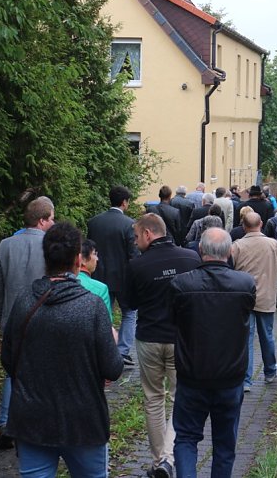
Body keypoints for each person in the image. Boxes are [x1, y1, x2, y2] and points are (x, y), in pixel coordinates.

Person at [1, 222, 124, 478]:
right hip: (84, 420)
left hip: (32, 417)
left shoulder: (24, 301)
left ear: (45, 259)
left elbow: (9, 361)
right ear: (79, 260)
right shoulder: (92, 306)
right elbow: (113, 368)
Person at [170, 228, 256, 478]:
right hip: (230, 377)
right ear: (230, 252)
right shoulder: (245, 284)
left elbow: (173, 320)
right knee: (225, 443)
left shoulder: (180, 284)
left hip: (191, 376)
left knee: (186, 438)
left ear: (200, 250)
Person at [123, 214, 201, 478]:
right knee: (181, 398)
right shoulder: (191, 259)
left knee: (153, 399)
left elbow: (130, 304)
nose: (135, 242)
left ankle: (160, 461)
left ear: (147, 234)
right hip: (182, 339)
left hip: (149, 338)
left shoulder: (136, 266)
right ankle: (168, 459)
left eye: (135, 236)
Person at [0, 195, 55, 449]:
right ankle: (38, 423)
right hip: (43, 317)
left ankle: (7, 423)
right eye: (51, 218)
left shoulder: (5, 245)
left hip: (12, 318)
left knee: (12, 372)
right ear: (42, 221)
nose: (54, 223)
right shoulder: (50, 246)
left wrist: (2, 314)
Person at [231, 212, 277, 392]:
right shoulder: (273, 245)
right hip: (266, 296)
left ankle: (246, 380)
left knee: (246, 339)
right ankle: (270, 370)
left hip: (243, 298)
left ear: (243, 226)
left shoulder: (237, 246)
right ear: (262, 224)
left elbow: (229, 270)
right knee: (267, 335)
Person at [87, 186, 142, 365]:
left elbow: (90, 249)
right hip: (124, 277)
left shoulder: (94, 222)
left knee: (103, 314)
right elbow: (133, 254)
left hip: (99, 275)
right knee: (129, 313)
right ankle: (123, 351)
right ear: (124, 202)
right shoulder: (129, 224)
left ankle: (105, 349)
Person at [79, 238, 114, 321]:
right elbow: (106, 324)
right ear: (83, 260)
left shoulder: (56, 282)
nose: (97, 259)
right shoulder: (100, 289)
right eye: (94, 254)